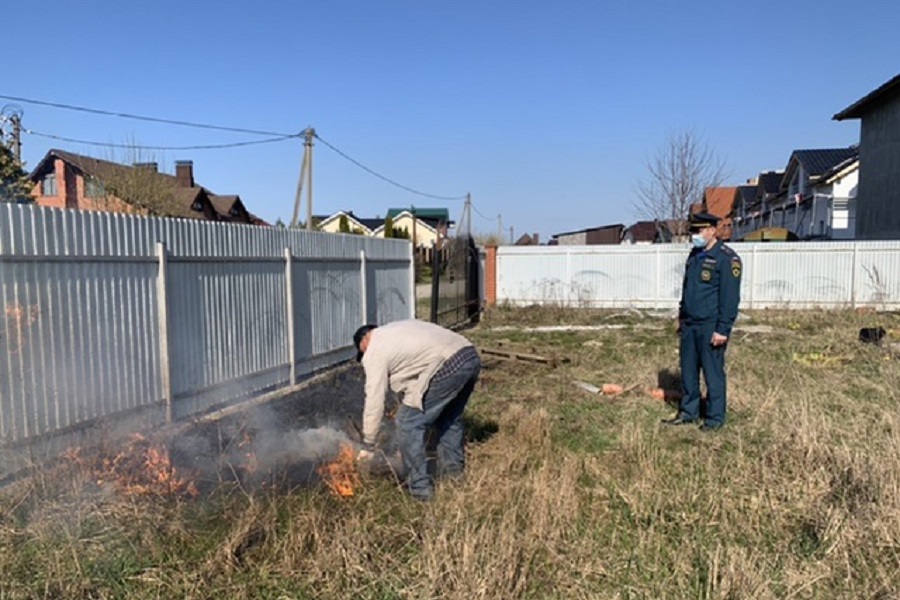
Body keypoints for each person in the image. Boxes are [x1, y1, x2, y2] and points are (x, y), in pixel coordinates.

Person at [353, 320, 481, 501]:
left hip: (448, 363)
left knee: (407, 422)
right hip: (470, 356)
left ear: (364, 341)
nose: (364, 355)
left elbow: (375, 399)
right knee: (448, 417)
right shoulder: (395, 331)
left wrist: (369, 443)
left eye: (362, 351)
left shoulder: (374, 349)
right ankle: (454, 478)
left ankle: (420, 492)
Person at [664, 212, 742, 431]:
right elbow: (688, 289)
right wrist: (682, 317)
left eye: (699, 231)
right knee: (688, 371)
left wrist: (723, 329)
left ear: (712, 230)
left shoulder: (727, 259)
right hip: (690, 324)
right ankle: (689, 412)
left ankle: (714, 419)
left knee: (712, 373)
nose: (695, 235)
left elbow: (730, 298)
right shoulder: (695, 255)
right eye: (694, 231)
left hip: (710, 326)